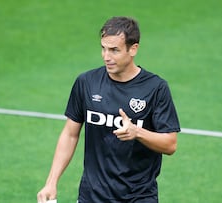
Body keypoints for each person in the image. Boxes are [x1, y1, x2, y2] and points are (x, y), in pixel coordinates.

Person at [37, 16, 180, 203]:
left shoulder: (155, 88)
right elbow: (70, 134)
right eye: (103, 48)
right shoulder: (87, 82)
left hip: (138, 197)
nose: (106, 56)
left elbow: (170, 144)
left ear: (133, 49)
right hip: (92, 196)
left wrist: (137, 132)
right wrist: (51, 182)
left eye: (114, 50)